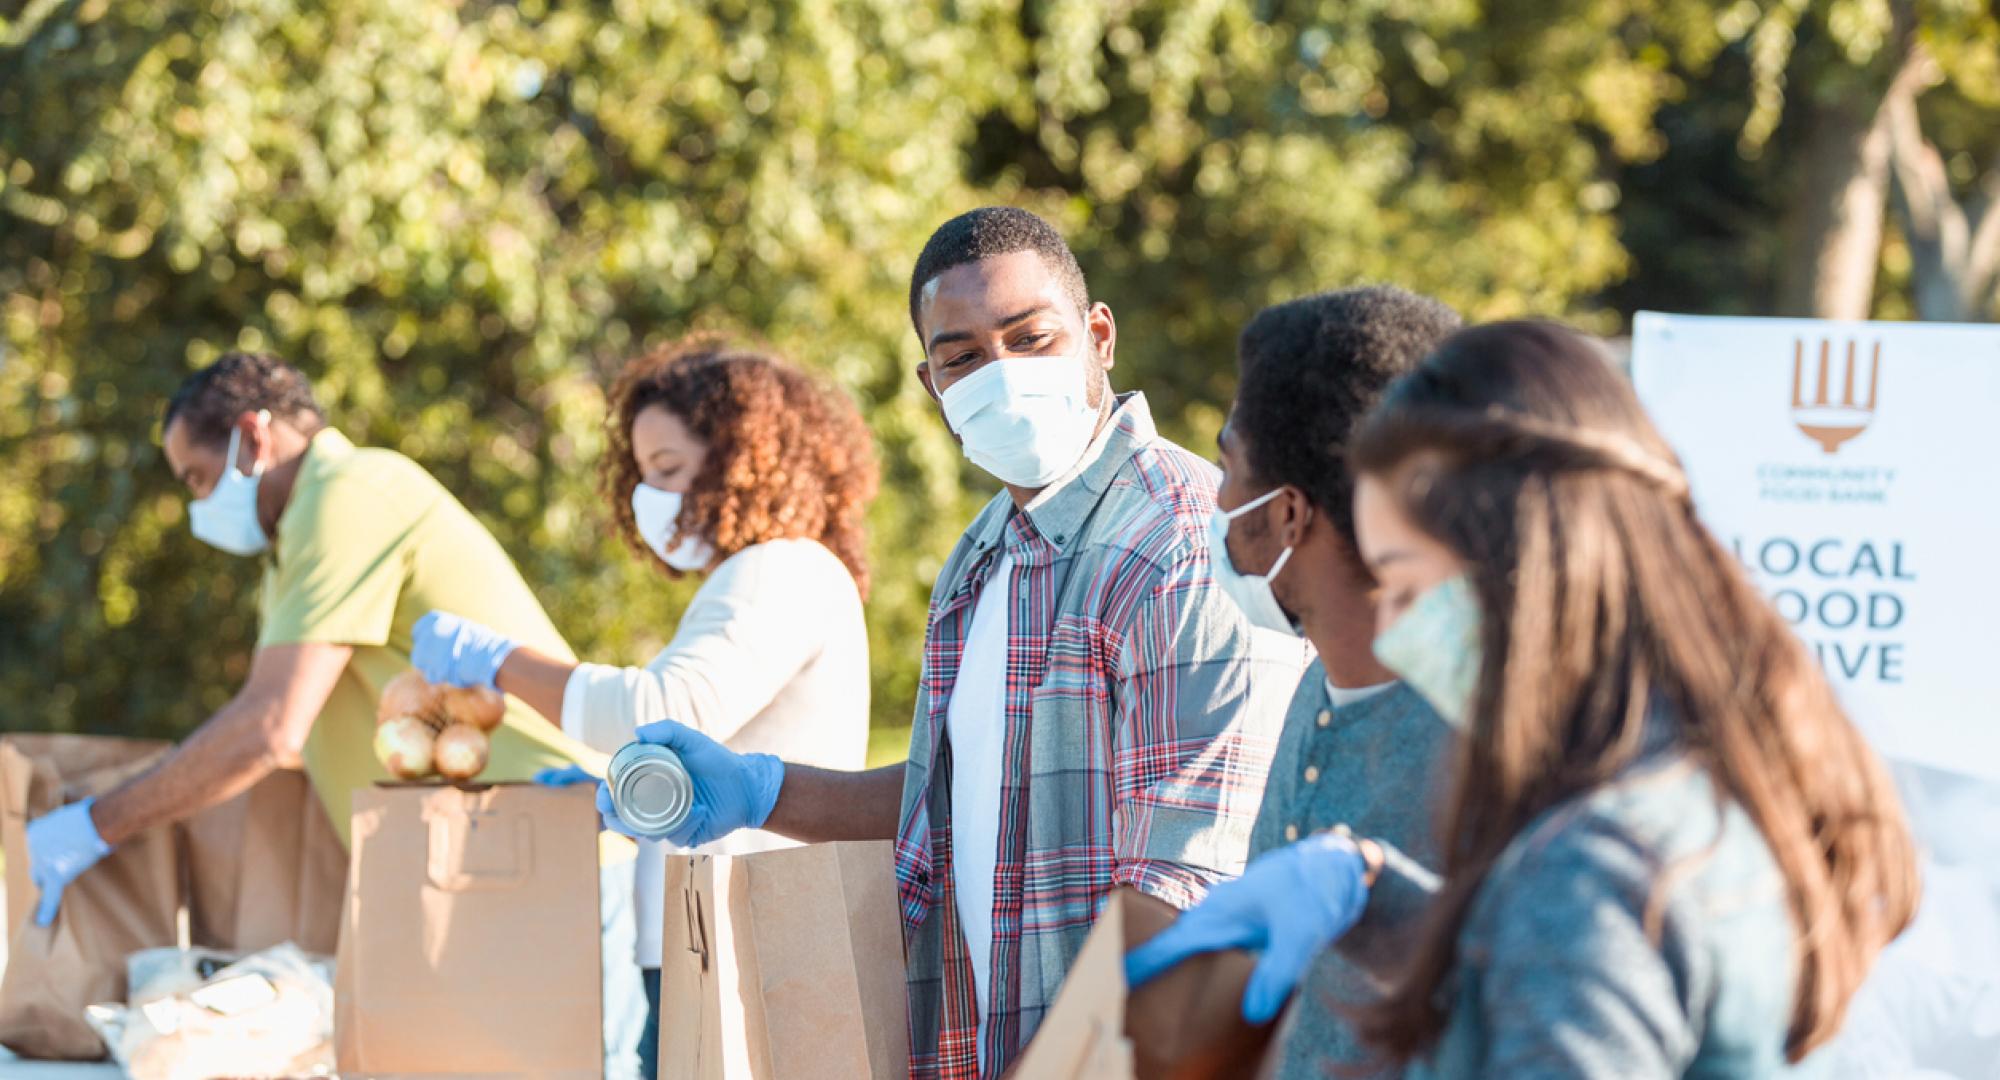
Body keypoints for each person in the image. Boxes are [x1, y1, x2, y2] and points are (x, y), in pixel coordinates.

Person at [597, 206, 1307, 1078]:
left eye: (1029, 336)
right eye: (964, 356)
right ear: (932, 385)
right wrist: (764, 791)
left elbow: (1188, 896)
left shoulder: (1183, 548)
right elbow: (957, 797)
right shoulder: (983, 558)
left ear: (1098, 335)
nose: (1000, 375)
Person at [1276, 320, 1915, 1075]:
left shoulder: (1596, 864)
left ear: (1526, 564)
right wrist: (1371, 894)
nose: (1390, 632)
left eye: (1409, 584)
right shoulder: (1705, 779)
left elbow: (1577, 943)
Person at [23, 351, 647, 1078]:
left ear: (253, 437)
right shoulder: (292, 540)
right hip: (462, 858)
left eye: (198, 478)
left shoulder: (350, 493)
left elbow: (267, 727)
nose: (199, 506)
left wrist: (98, 824)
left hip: (540, 846)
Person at [409, 339, 878, 1080]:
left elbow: (661, 708)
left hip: (746, 944)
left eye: (667, 469)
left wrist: (497, 661)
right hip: (717, 938)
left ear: (738, 457)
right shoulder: (761, 577)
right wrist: (621, 800)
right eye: (644, 473)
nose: (650, 496)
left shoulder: (779, 569)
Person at [1123, 286, 1463, 1075]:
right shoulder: (1316, 689)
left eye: (1228, 465)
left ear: (1287, 515)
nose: (1214, 499)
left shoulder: (1485, 740)